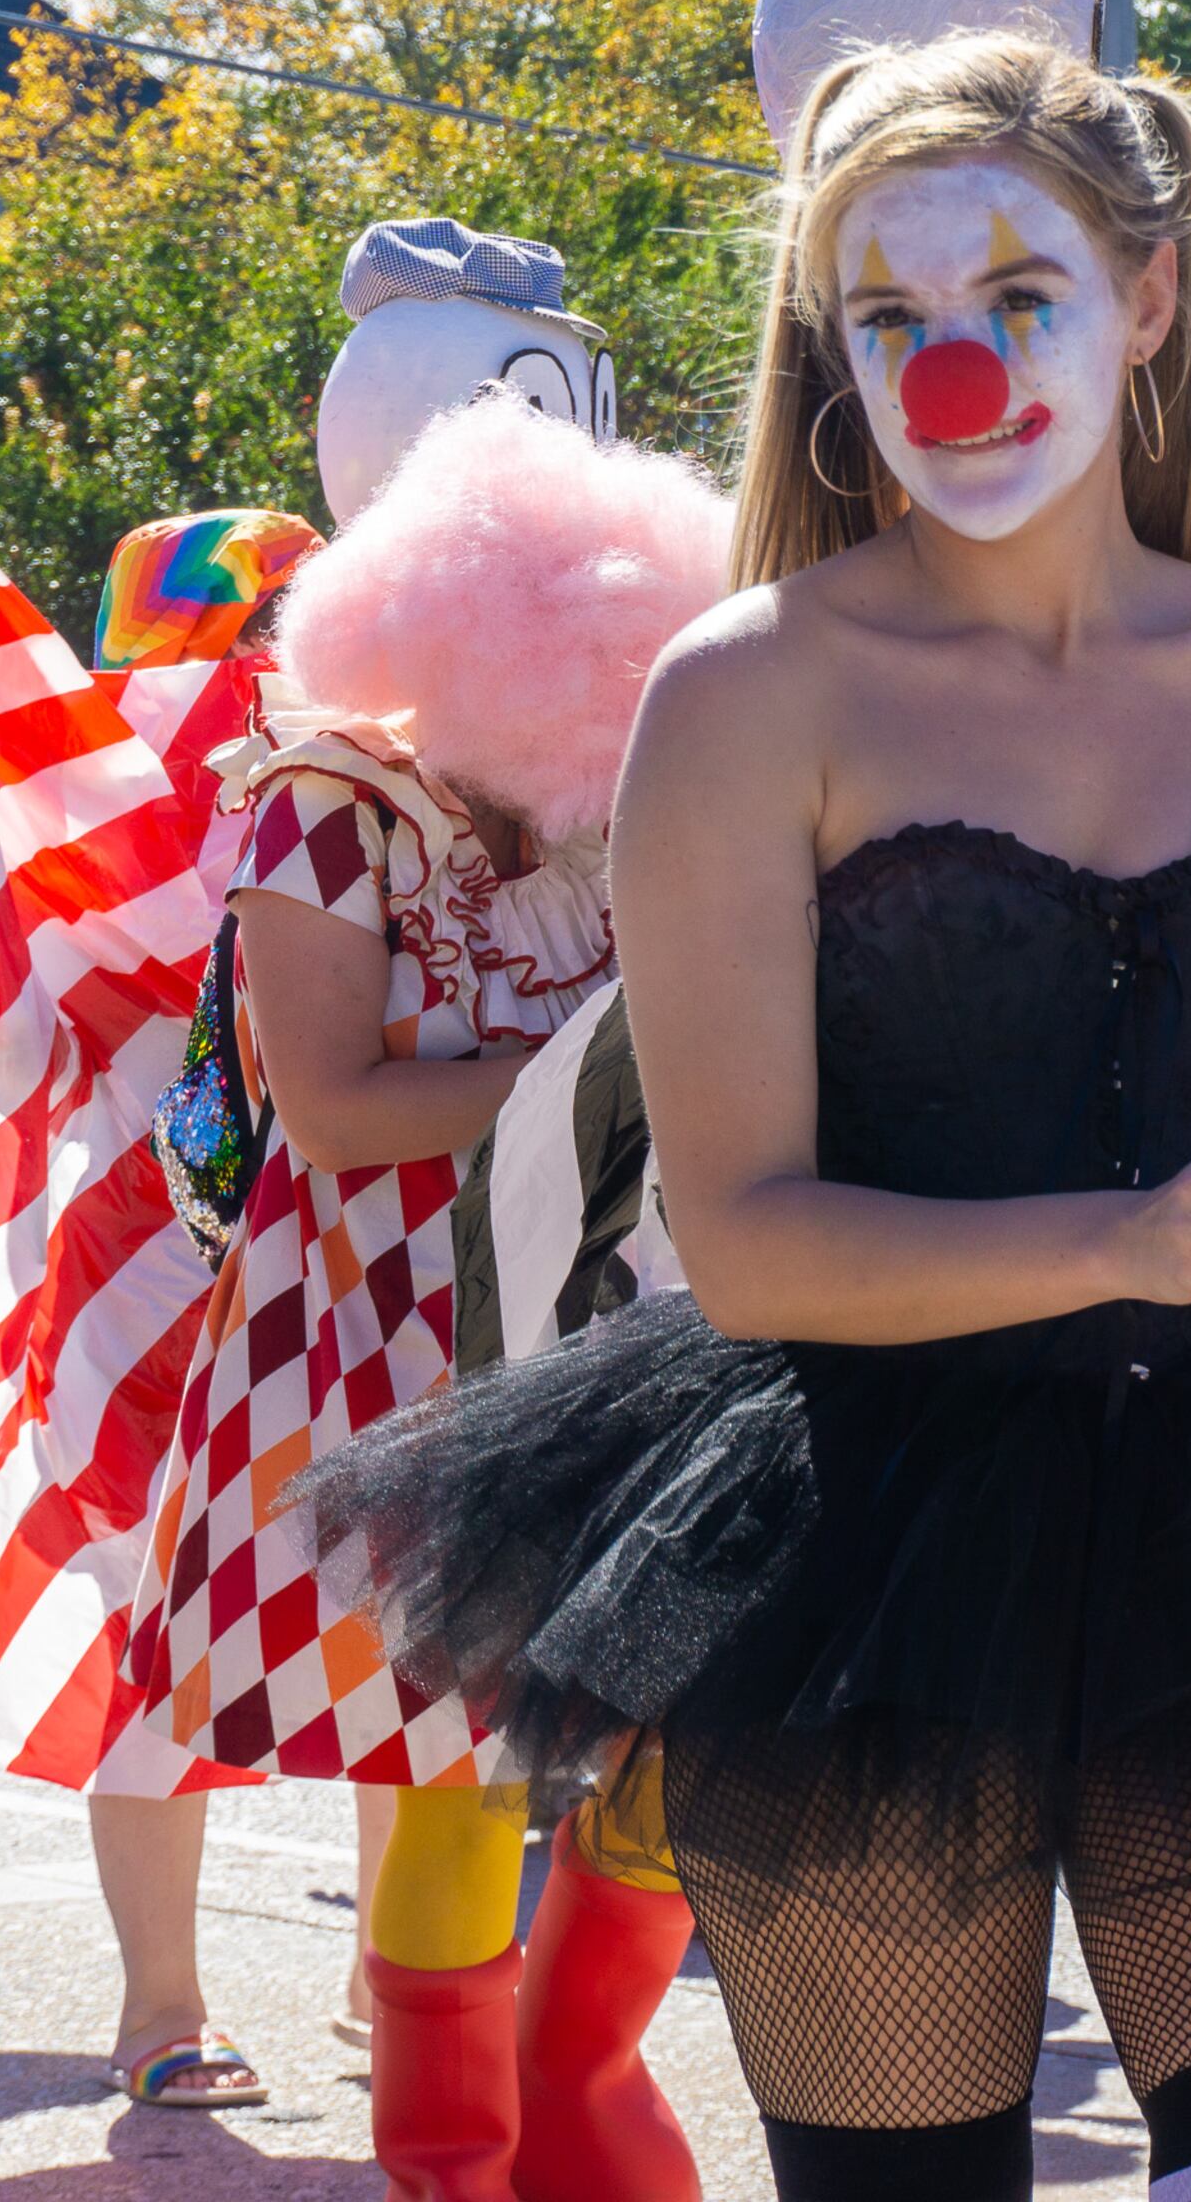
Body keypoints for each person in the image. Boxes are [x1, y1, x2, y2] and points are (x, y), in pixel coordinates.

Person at [296, 33, 1191, 2202]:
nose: (952, 377)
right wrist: (1128, 1236)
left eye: (1016, 298)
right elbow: (743, 1233)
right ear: (831, 350)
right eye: (892, 320)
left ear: (1150, 299)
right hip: (856, 1526)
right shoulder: (747, 694)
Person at [116, 392, 727, 2191]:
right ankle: (459, 2152)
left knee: (676, 1738)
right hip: (399, 1328)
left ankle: (581, 2095)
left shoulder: (634, 801)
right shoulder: (324, 798)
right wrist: (631, 1075)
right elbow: (331, 1102)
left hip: (633, 1318)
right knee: (458, 1757)